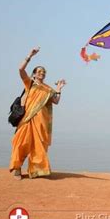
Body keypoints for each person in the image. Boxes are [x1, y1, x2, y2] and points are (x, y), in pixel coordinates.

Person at [9, 47, 66, 179]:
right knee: (21, 143)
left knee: (38, 146)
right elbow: (21, 69)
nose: (42, 73)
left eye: (44, 72)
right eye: (39, 71)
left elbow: (56, 101)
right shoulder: (29, 83)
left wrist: (59, 88)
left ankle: (36, 170)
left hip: (41, 122)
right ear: (34, 74)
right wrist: (30, 55)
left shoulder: (47, 89)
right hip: (27, 120)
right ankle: (17, 168)